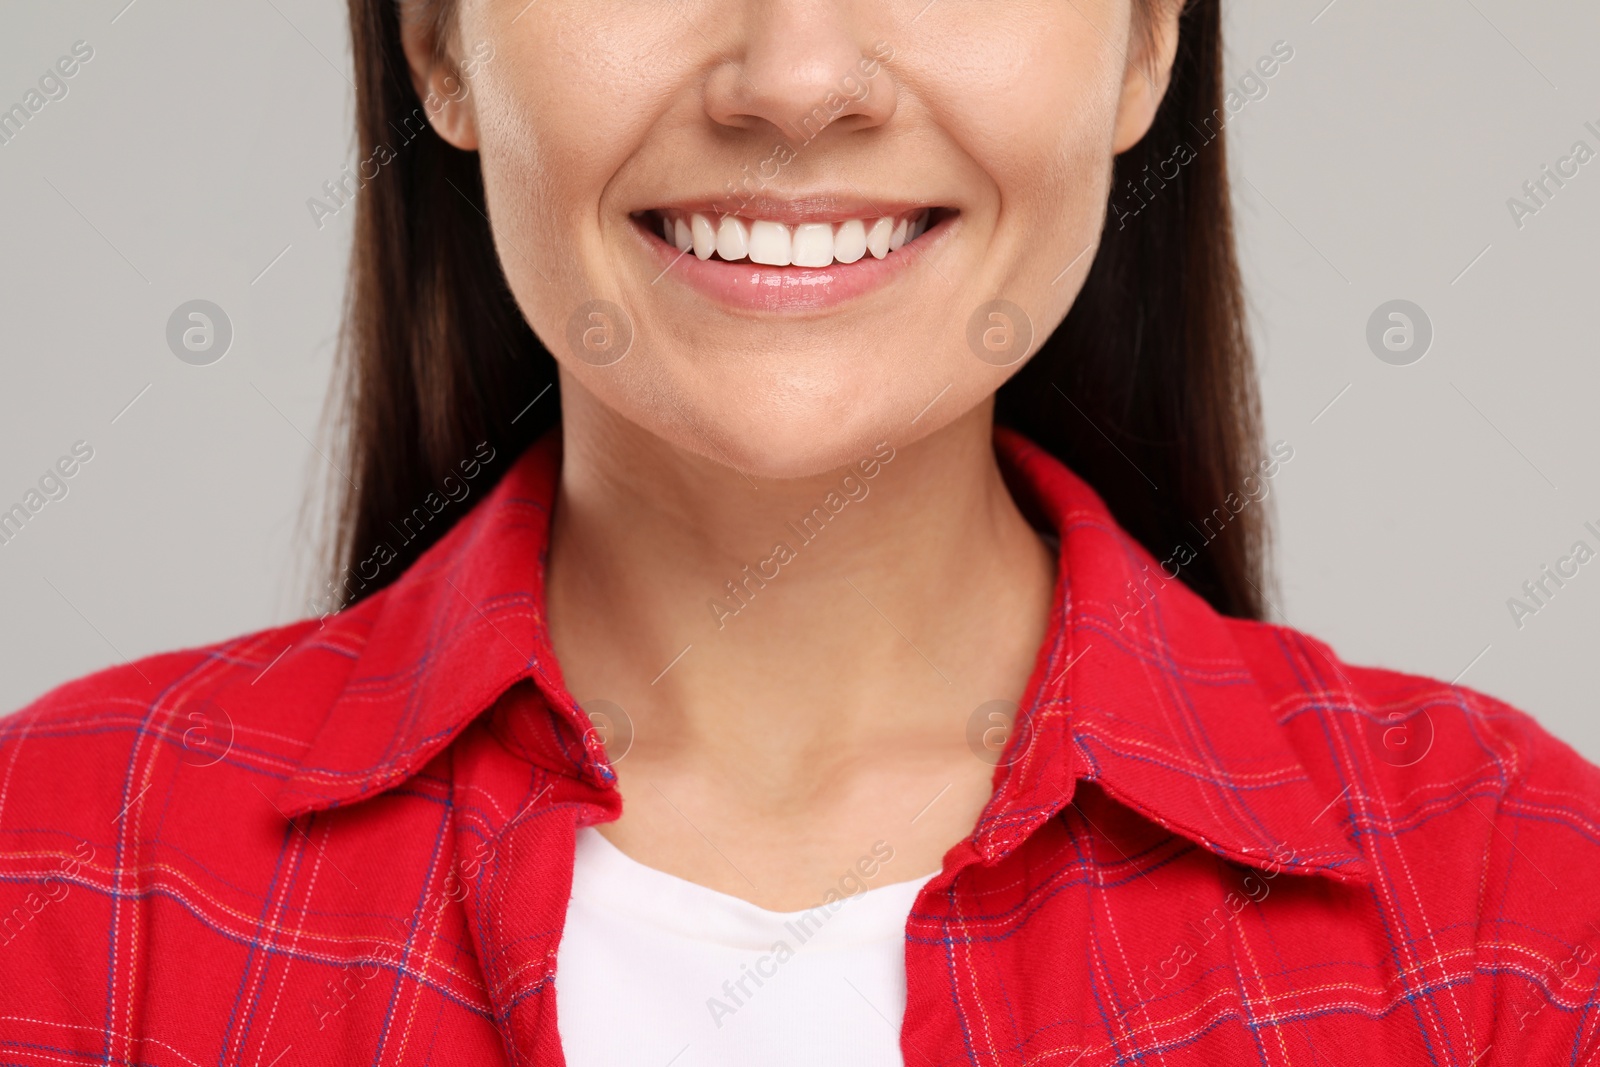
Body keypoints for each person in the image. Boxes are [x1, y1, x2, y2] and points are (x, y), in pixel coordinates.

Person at [2, 0, 1597, 1063]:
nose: (794, 80)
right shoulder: (64, 884)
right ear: (437, 39)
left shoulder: (1518, 914)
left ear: (1143, 45)